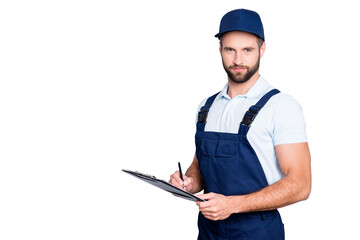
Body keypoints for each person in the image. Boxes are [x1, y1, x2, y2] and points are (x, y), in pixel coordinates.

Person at [169, 8, 311, 240]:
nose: (237, 60)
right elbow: (200, 166)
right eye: (230, 50)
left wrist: (233, 205)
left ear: (262, 49)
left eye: (247, 50)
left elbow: (301, 184)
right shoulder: (206, 107)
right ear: (220, 50)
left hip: (258, 232)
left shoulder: (282, 107)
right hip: (209, 232)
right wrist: (189, 182)